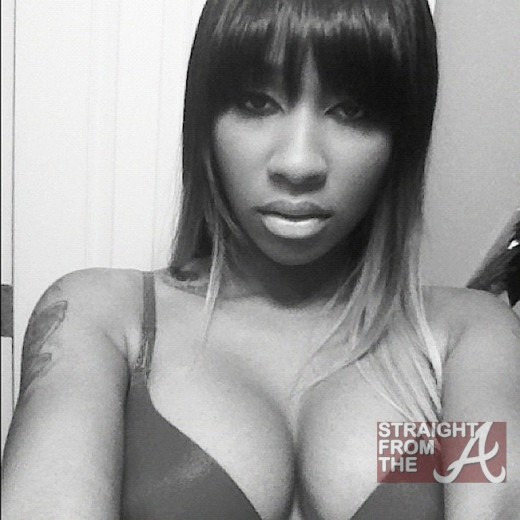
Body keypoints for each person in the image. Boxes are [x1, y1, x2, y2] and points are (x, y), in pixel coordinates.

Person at [2, 0, 519, 518]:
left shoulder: (465, 338)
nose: (298, 163)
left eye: (352, 111)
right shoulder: (102, 318)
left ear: (401, 137)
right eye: (256, 102)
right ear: (206, 122)